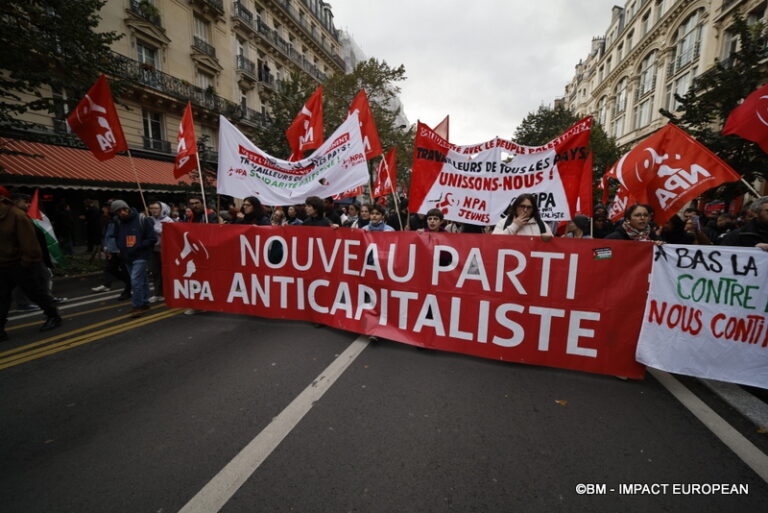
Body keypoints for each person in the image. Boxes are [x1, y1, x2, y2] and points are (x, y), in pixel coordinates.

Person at [1, 186, 62, 341]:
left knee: (35, 292)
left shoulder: (17, 216)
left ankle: (53, 315)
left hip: (20, 264)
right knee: (2, 297)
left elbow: (31, 244)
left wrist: (26, 263)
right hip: (3, 265)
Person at [11, 193, 66, 310]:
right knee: (22, 280)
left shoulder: (24, 215)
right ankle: (23, 303)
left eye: (29, 202)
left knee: (44, 275)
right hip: (22, 254)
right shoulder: (14, 216)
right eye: (25, 202)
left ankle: (47, 298)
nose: (28, 205)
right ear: (16, 202)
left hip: (35, 253)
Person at [111, 199, 157, 318]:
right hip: (127, 256)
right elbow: (116, 236)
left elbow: (152, 238)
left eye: (124, 209)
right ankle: (144, 302)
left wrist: (139, 245)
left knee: (135, 280)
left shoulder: (142, 219)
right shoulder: (118, 222)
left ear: (128, 208)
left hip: (141, 255)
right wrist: (119, 248)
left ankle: (137, 306)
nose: (122, 212)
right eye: (118, 211)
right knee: (142, 280)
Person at [92, 201, 132, 299]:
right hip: (112, 249)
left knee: (124, 269)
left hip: (119, 249)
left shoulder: (119, 220)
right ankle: (129, 283)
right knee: (111, 268)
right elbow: (107, 235)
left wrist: (117, 249)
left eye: (107, 207)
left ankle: (128, 289)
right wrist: (107, 248)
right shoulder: (111, 219)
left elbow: (118, 235)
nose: (104, 209)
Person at [148, 200, 174, 303]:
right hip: (153, 250)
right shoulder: (149, 220)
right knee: (155, 272)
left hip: (165, 250)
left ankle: (168, 292)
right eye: (152, 208)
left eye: (156, 208)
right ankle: (158, 293)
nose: (154, 210)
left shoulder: (168, 220)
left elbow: (171, 233)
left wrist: (156, 229)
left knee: (165, 272)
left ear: (162, 209)